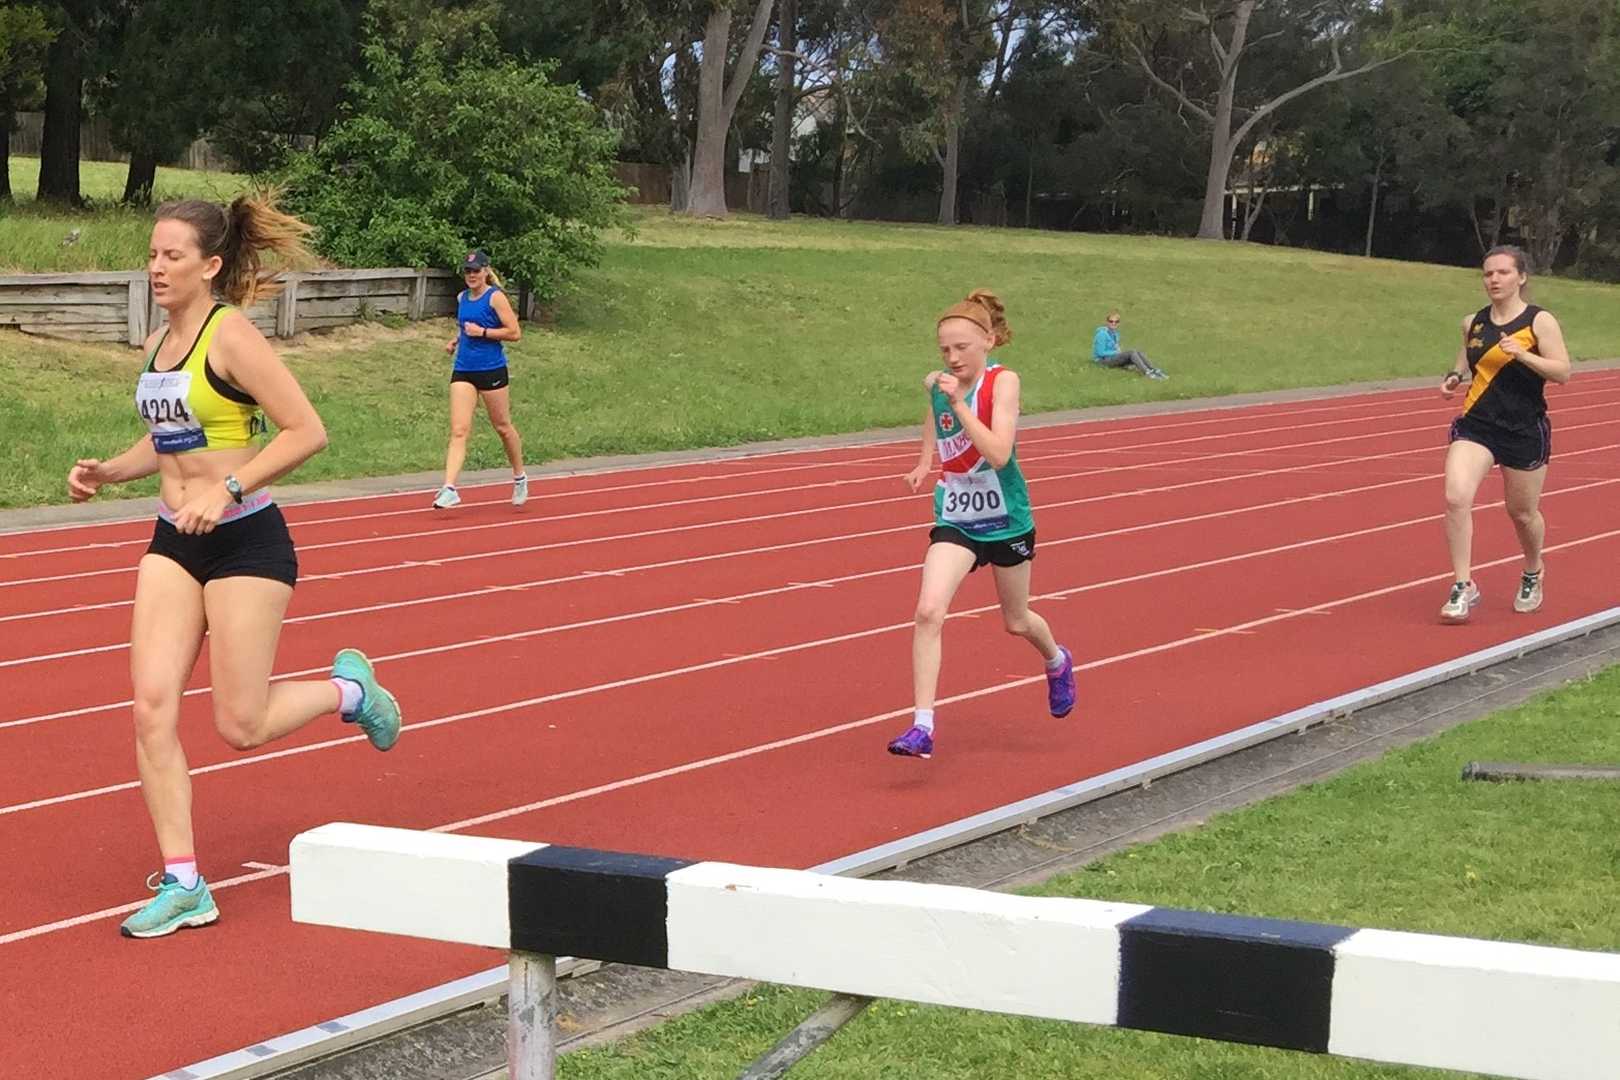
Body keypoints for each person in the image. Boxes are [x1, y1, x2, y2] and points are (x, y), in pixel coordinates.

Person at [66, 194, 403, 939]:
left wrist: (230, 487)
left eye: (172, 256)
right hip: (174, 540)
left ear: (210, 265)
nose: (156, 267)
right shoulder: (159, 344)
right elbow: (168, 440)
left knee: (239, 725)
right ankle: (186, 882)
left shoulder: (232, 335)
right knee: (151, 706)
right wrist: (109, 472)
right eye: (152, 254)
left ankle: (350, 691)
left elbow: (307, 430)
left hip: (247, 541)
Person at [888, 289, 1078, 759]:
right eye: (944, 350)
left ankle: (1056, 661)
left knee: (1016, 621)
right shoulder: (941, 387)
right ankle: (923, 726)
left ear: (988, 342)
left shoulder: (1004, 383)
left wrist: (961, 406)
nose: (952, 358)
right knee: (929, 611)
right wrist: (925, 458)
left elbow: (998, 452)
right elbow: (934, 415)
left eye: (962, 348)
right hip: (956, 517)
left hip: (1007, 520)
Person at [1439, 245, 1571, 622]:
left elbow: (1563, 373)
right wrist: (1453, 378)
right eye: (1488, 274)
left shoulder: (1538, 321)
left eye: (1502, 273)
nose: (1494, 279)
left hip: (1524, 428)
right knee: (1455, 496)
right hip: (1477, 424)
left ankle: (1533, 570)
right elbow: (1466, 358)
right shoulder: (1473, 322)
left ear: (1521, 277)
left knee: (1522, 512)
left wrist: (1524, 355)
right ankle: (1463, 585)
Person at [432, 249, 528, 509]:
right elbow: (465, 327)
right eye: (467, 271)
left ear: (486, 271)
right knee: (459, 430)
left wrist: (483, 332)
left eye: (476, 270)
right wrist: (457, 339)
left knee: (503, 427)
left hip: (491, 369)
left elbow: (514, 332)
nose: (471, 275)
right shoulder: (462, 297)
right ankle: (449, 488)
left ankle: (519, 477)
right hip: (464, 369)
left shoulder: (495, 298)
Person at [1092, 310, 1167, 379]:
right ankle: (1147, 373)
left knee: (1138, 352)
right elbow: (1100, 353)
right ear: (1107, 322)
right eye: (1111, 321)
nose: (1113, 323)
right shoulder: (1102, 334)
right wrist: (1117, 352)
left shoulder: (1115, 334)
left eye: (1116, 321)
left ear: (1119, 323)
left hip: (1112, 358)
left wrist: (1117, 352)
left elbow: (1114, 348)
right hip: (1102, 361)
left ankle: (1153, 370)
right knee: (1131, 352)